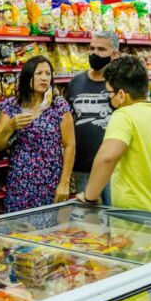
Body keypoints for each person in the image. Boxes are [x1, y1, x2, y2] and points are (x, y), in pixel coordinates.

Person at [78, 56, 151, 216]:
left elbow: (107, 158)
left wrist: (89, 198)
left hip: (136, 221)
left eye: (110, 93)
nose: (110, 98)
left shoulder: (124, 115)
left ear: (122, 95)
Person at [0, 56, 75, 214]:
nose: (44, 78)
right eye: (39, 73)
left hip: (50, 180)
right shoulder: (12, 106)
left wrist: (64, 182)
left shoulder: (59, 105)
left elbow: (70, 145)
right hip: (19, 181)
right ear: (27, 76)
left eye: (48, 73)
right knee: (19, 231)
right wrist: (10, 126)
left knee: (49, 232)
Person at [66, 31, 120, 204]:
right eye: (92, 48)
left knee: (115, 223)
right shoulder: (76, 82)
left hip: (115, 170)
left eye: (101, 49)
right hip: (82, 169)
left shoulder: (121, 84)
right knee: (87, 226)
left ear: (115, 54)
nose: (94, 53)